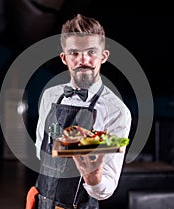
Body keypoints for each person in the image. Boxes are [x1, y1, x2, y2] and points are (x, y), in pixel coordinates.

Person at [33, 13, 132, 209]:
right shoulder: (50, 96)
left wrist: (93, 178)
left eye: (91, 52)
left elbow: (108, 186)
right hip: (41, 202)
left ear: (103, 56)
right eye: (74, 53)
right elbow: (40, 151)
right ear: (64, 58)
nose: (83, 60)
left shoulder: (117, 111)